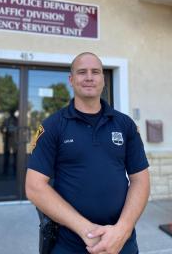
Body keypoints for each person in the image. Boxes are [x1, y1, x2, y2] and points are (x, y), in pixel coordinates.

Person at [26, 52, 150, 254]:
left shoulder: (125, 124)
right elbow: (34, 187)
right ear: (71, 80)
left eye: (96, 72)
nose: (89, 77)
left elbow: (140, 180)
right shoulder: (52, 126)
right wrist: (88, 231)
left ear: (103, 78)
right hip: (69, 244)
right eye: (82, 72)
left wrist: (122, 231)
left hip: (122, 243)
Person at [1, 109, 18, 175]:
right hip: (8, 139)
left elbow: (20, 129)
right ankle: (6, 171)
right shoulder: (7, 120)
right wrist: (5, 132)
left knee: (15, 156)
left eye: (12, 112)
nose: (11, 113)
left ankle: (15, 171)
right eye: (11, 112)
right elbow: (1, 129)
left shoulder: (17, 120)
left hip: (14, 140)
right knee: (7, 155)